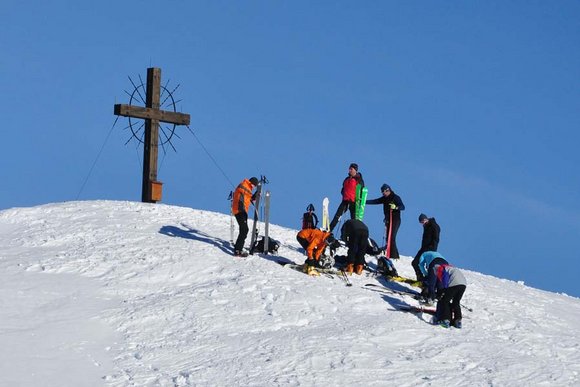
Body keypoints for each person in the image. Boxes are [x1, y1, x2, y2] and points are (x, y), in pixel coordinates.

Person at [423, 254, 467, 329]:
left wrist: (445, 289)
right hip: (463, 284)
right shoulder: (450, 267)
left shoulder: (441, 268)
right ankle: (457, 321)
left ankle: (445, 320)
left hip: (454, 283)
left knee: (444, 301)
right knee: (456, 302)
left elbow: (445, 279)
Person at [365, 184, 405, 258]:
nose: (383, 194)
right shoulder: (384, 198)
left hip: (395, 220)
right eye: (382, 193)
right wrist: (364, 201)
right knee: (388, 238)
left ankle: (394, 256)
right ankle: (391, 254)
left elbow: (402, 207)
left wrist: (396, 207)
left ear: (388, 190)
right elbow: (375, 201)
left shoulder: (395, 197)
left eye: (384, 192)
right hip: (388, 220)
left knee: (391, 237)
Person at [329, 163, 364, 232]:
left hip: (354, 202)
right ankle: (329, 230)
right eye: (349, 169)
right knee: (337, 215)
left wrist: (359, 201)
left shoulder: (359, 179)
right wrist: (344, 194)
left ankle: (354, 234)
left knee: (353, 219)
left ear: (355, 170)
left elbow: (361, 190)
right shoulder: (347, 179)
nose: (349, 170)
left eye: (351, 169)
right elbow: (343, 188)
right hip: (345, 201)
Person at [232, 176, 259, 257]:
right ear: (252, 183)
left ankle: (238, 248)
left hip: (242, 211)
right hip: (239, 209)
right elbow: (242, 190)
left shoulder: (248, 188)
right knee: (244, 229)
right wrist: (252, 193)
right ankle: (238, 250)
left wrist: (255, 195)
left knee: (244, 229)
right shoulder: (244, 184)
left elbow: (249, 198)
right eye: (254, 186)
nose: (254, 187)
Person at [412, 213, 441, 281]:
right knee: (415, 262)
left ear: (426, 219)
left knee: (429, 266)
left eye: (422, 221)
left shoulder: (434, 226)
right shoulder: (426, 226)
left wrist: (432, 249)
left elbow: (436, 239)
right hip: (423, 248)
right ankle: (420, 277)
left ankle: (429, 281)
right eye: (421, 222)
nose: (422, 223)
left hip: (430, 250)